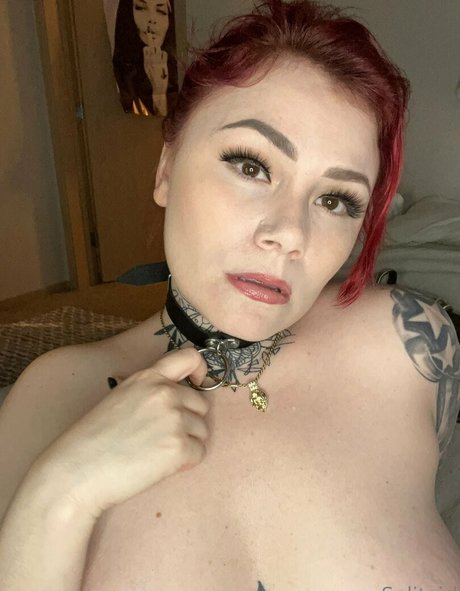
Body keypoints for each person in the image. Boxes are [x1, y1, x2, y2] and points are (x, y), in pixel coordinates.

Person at [1, 1, 460, 589]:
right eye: (251, 166)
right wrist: (64, 490)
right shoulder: (51, 393)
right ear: (166, 169)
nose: (290, 234)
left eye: (335, 200)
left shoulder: (410, 343)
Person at [112, 0, 177, 116]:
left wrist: (159, 92)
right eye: (141, 8)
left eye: (161, 11)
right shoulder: (122, 71)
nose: (151, 19)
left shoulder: (184, 67)